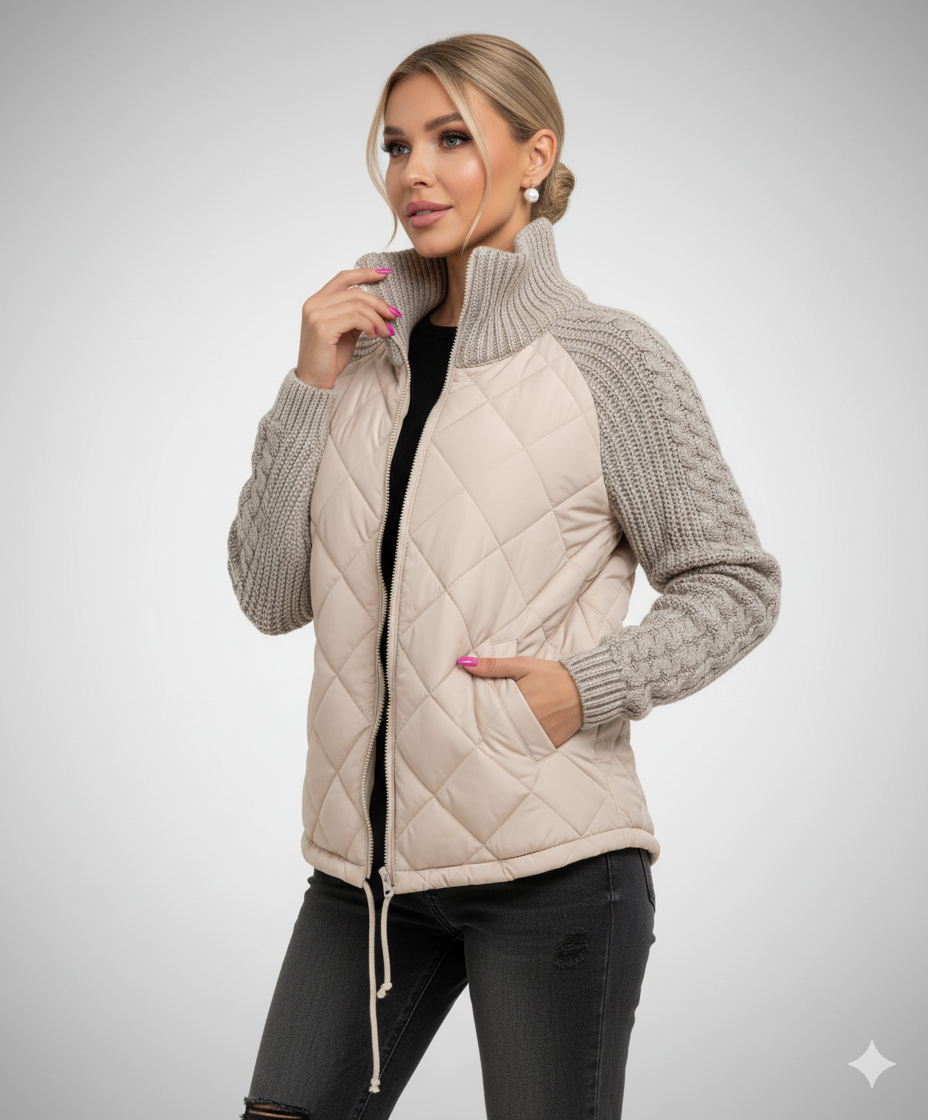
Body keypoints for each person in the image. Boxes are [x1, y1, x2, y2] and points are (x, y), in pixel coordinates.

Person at [227, 32, 781, 1120]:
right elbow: (268, 595)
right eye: (396, 146)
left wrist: (583, 687)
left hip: (552, 872)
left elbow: (734, 582)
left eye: (450, 139)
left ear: (535, 156)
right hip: (362, 886)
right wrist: (307, 383)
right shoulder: (360, 356)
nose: (415, 173)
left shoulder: (608, 357)